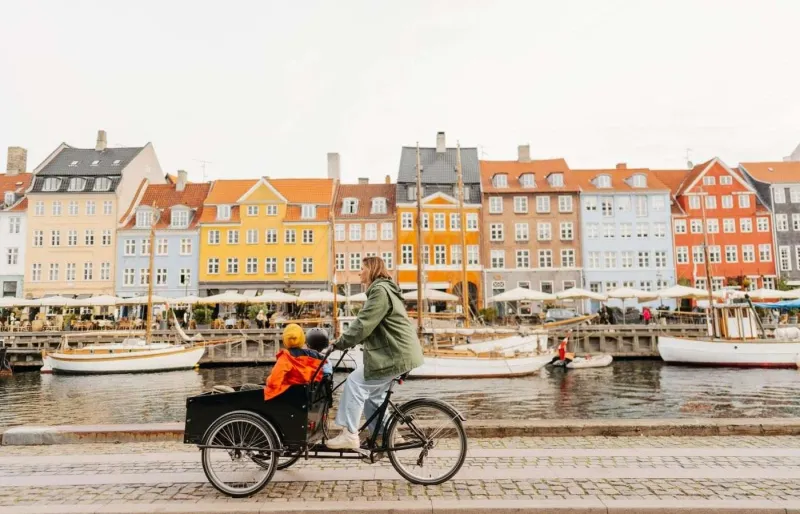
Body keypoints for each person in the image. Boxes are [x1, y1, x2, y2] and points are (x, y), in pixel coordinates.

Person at [325, 256, 424, 450]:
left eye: (361, 268)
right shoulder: (385, 290)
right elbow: (373, 326)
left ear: (371, 270)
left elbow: (363, 323)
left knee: (354, 382)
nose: (359, 272)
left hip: (395, 355)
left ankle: (349, 434)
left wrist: (340, 343)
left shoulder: (379, 291)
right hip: (399, 353)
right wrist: (352, 341)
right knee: (374, 397)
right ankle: (386, 435)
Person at [264, 323, 325, 401]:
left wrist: (268, 381)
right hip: (306, 395)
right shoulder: (315, 356)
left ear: (285, 340)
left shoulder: (286, 357)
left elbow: (274, 382)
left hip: (288, 396)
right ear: (302, 338)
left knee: (247, 388)